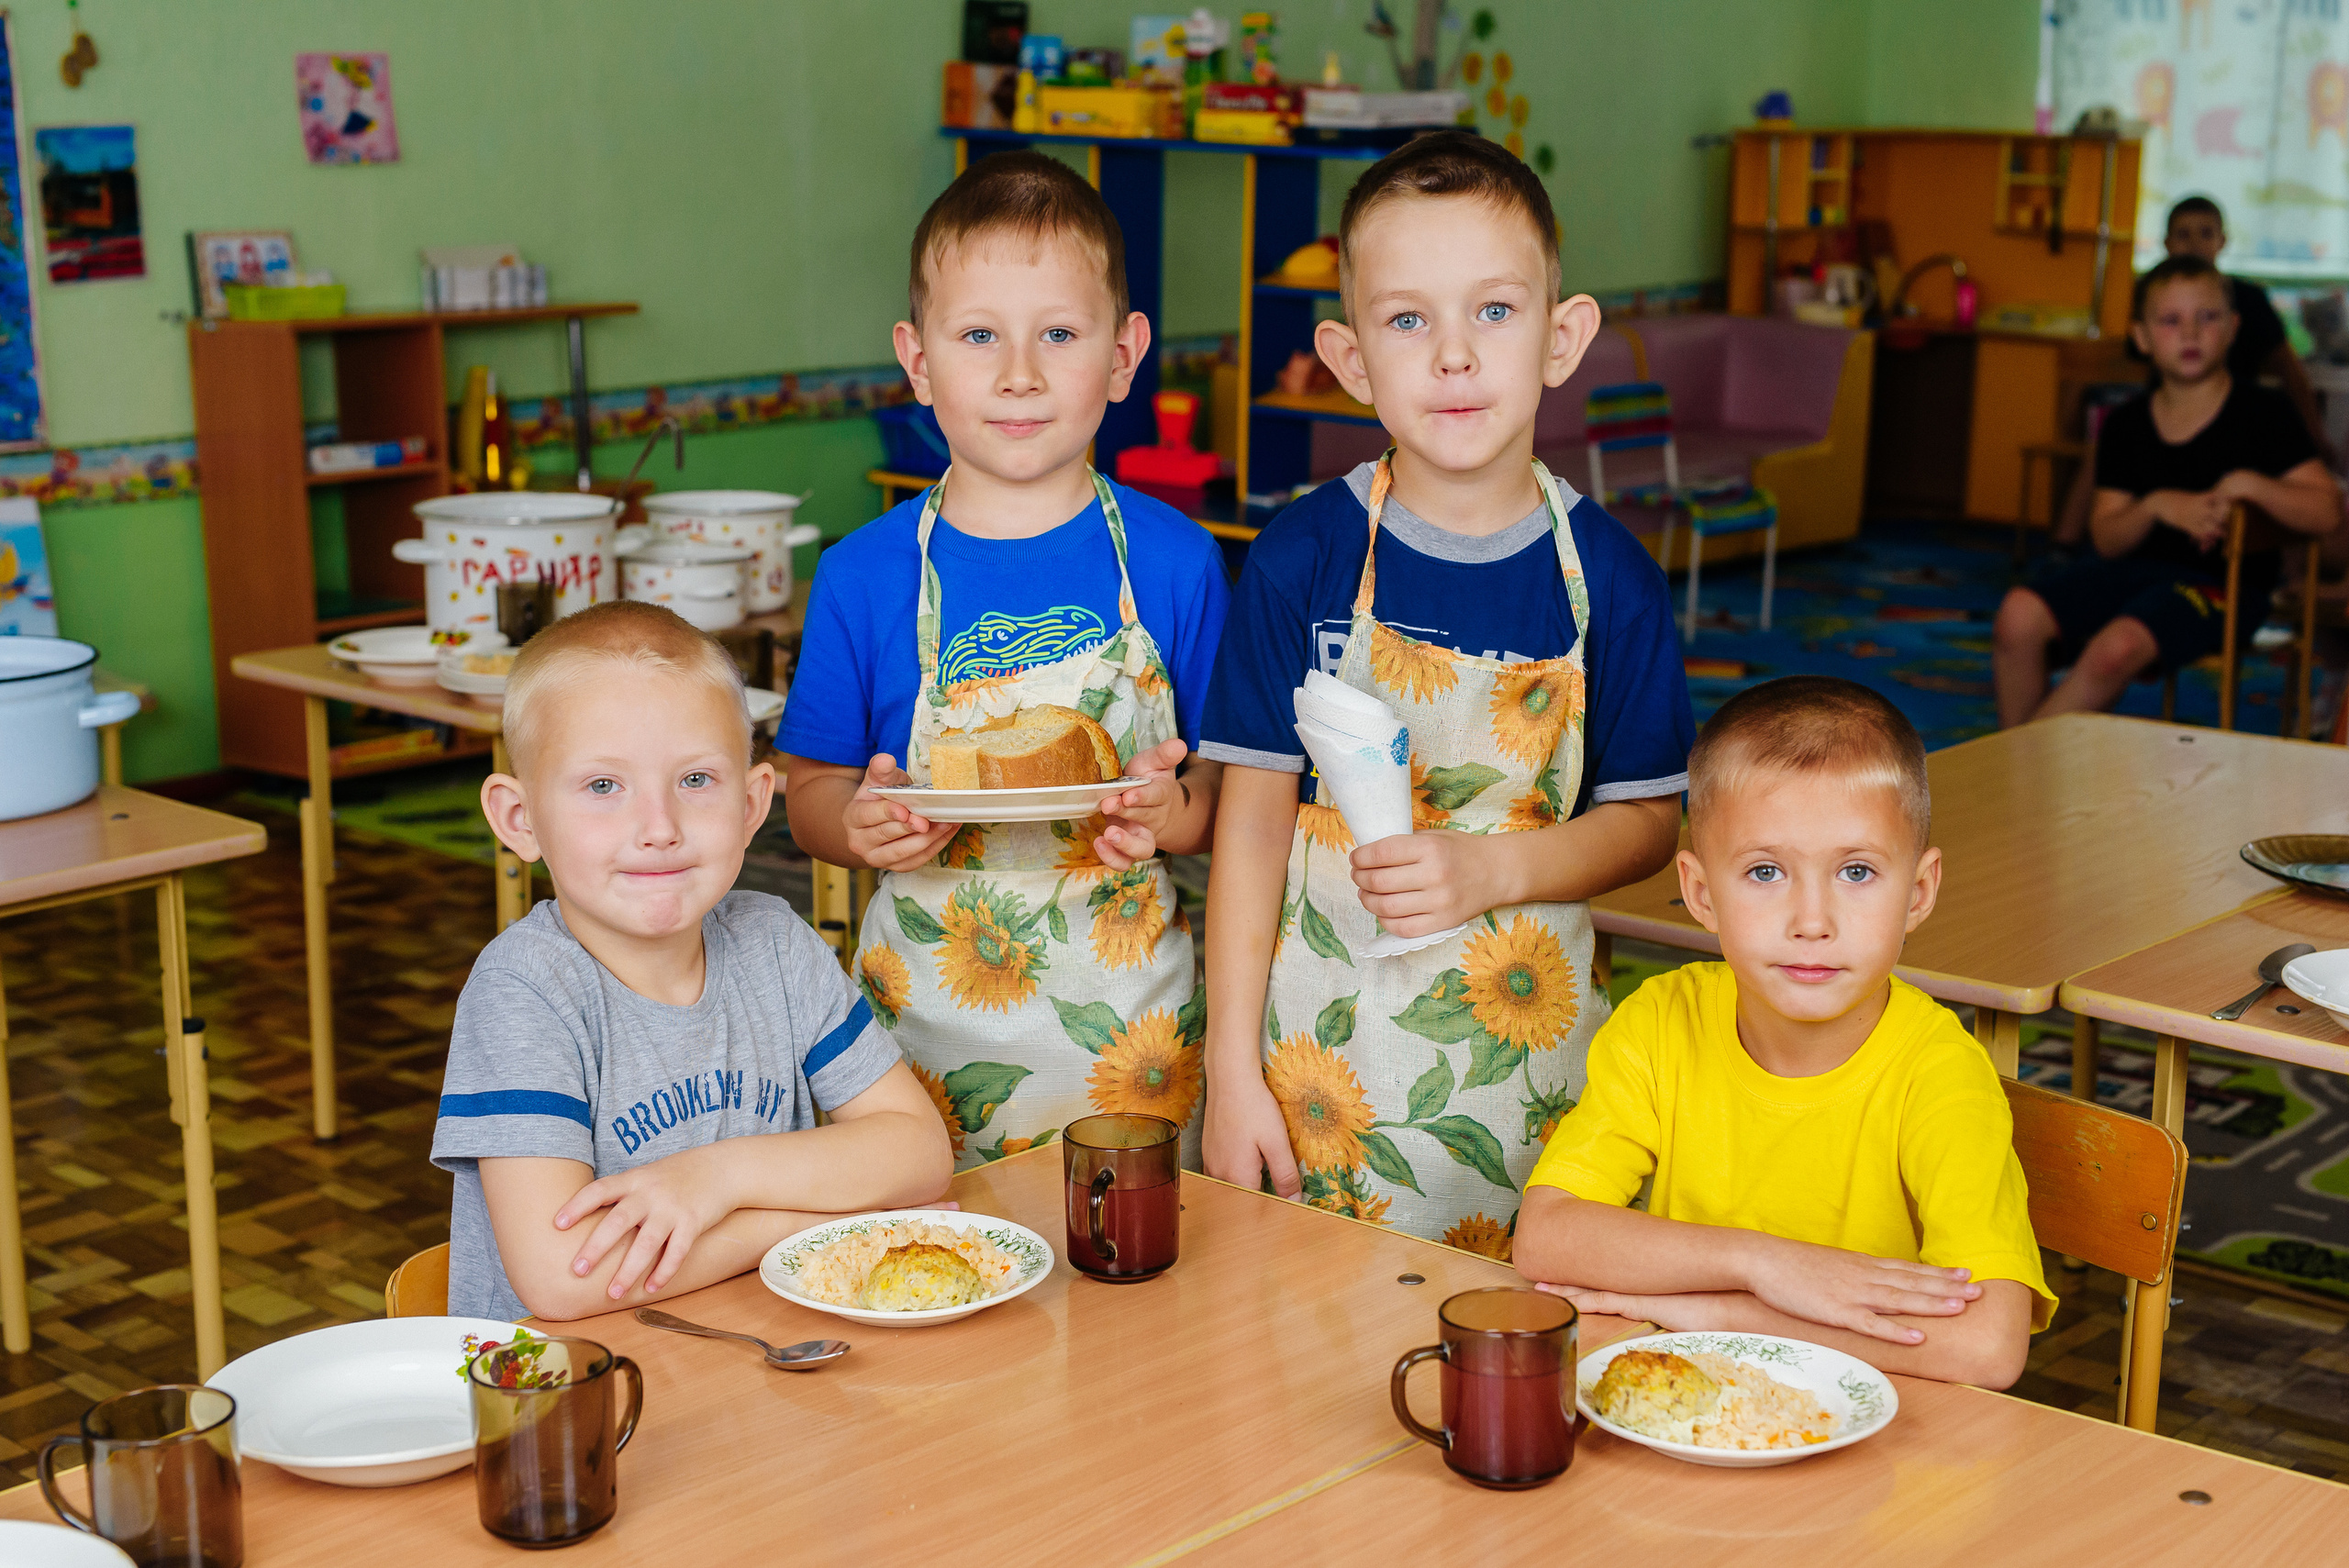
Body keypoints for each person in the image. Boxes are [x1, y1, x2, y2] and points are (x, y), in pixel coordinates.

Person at [1197, 129, 1691, 1251]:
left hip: (1527, 1094)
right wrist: (1231, 1072)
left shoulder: (1606, 577)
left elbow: (1647, 821)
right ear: (1351, 357)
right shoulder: (1300, 556)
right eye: (1408, 319)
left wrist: (1492, 866)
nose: (1454, 356)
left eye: (1495, 312)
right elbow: (1251, 826)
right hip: (1309, 1082)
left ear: (1563, 338)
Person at [779, 151, 1230, 1169]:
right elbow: (810, 790)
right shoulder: (864, 574)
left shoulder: (1174, 561)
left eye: (1059, 335)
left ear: (1123, 355)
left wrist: (1177, 813)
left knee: (1147, 1297)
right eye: (978, 335)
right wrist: (856, 826)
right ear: (918, 358)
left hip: (1136, 1043)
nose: (1018, 373)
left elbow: (1221, 793)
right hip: (915, 1046)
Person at [1513, 677, 2052, 1387]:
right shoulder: (1659, 1023)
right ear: (1702, 893)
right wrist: (1764, 1263)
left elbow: (1988, 1346)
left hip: (1880, 1452)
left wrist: (1725, 1310)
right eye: (1765, 871)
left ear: (1917, 893)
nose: (1812, 920)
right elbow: (1547, 1236)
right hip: (1690, 1415)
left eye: (1856, 871)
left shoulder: (1940, 1072)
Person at [433, 602, 954, 1321]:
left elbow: (919, 1153)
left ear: (750, 804)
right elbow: (562, 1277)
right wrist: (801, 1227)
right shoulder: (524, 991)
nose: (659, 829)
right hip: (576, 1406)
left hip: (762, 1361)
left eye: (696, 781)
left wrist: (717, 1178)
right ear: (520, 820)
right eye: (603, 786)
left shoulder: (774, 943)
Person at [1994, 255, 2342, 727]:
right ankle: (2021, 773)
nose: (2191, 333)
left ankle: (2014, 775)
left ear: (2234, 327)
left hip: (2223, 589)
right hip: (2132, 572)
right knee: (2017, 615)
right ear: (2142, 337)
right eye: (2171, 320)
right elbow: (2107, 539)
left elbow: (2325, 512)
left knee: (2115, 648)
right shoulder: (2125, 424)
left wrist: (2251, 485)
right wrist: (2159, 506)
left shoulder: (2266, 413)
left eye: (2208, 317)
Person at [2056, 194, 2334, 546]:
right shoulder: (2154, 294)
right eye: (2183, 234)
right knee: (2108, 446)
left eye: (2206, 233)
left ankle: (2278, 577)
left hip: (2229, 420)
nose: (2189, 333)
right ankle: (2062, 546)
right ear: (2167, 243)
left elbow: (2289, 370)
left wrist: (2315, 432)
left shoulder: (2247, 299)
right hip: (2166, 413)